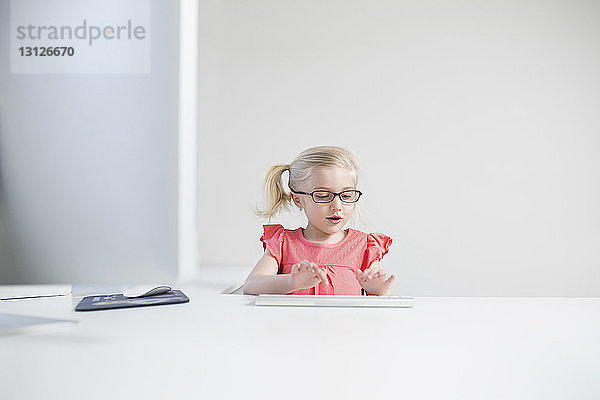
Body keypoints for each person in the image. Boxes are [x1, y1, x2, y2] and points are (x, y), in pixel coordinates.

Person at [243, 145, 395, 296]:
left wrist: (381, 291)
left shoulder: (364, 246)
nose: (337, 206)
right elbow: (251, 285)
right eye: (323, 195)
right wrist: (291, 282)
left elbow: (382, 304)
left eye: (347, 195)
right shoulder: (283, 243)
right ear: (297, 199)